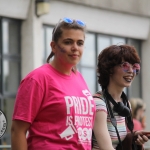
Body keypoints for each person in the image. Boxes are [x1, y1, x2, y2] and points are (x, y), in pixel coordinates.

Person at [11, 17, 96, 150]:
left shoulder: (79, 78)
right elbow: (17, 131)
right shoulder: (37, 79)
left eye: (80, 43)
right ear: (54, 46)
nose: (75, 48)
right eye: (68, 42)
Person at [92, 44, 149, 150]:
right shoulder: (98, 103)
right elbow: (106, 148)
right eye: (125, 66)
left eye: (135, 67)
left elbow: (119, 140)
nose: (131, 71)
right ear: (109, 69)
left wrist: (134, 136)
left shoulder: (125, 103)